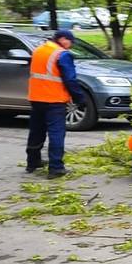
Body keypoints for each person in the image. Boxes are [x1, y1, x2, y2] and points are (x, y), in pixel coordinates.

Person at [26, 29, 85, 179]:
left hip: (36, 98)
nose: (70, 46)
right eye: (70, 42)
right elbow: (70, 79)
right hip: (54, 100)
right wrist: (79, 98)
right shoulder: (62, 54)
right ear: (63, 39)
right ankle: (56, 168)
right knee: (56, 133)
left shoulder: (39, 50)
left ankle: (32, 162)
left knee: (36, 130)